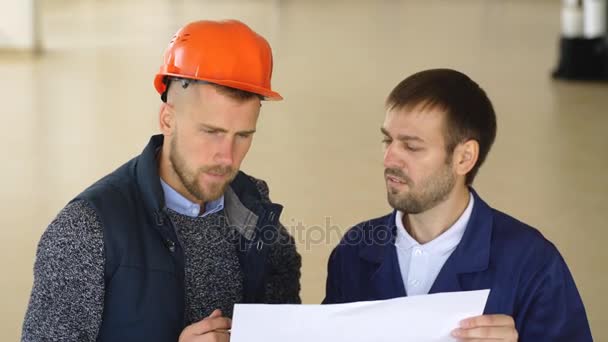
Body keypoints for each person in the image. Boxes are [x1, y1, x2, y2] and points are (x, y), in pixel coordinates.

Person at [22, 19, 301, 342]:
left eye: (242, 136)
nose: (227, 157)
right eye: (211, 132)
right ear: (167, 119)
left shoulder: (257, 213)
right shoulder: (85, 231)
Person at [323, 69, 592, 341]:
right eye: (387, 140)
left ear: (464, 158)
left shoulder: (531, 263)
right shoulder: (354, 251)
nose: (389, 159)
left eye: (412, 147)